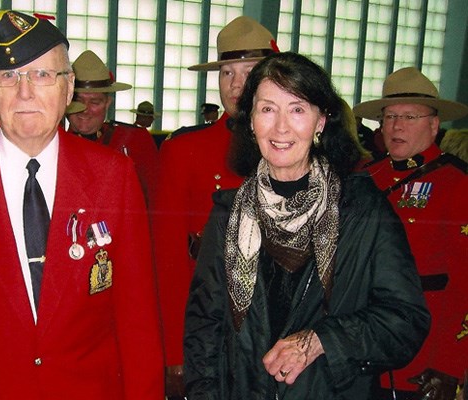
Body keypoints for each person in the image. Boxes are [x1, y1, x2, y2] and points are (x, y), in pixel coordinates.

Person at [0, 10, 164, 399]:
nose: (25, 92)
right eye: (9, 76)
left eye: (42, 75)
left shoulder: (113, 176)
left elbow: (137, 319)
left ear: (68, 87)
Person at [183, 51, 430, 400]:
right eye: (267, 109)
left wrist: (322, 340)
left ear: (320, 121)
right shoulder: (228, 214)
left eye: (297, 109)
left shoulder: (360, 210)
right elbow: (204, 328)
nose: (281, 127)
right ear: (251, 122)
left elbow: (406, 320)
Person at [151, 16, 280, 399]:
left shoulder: (300, 150)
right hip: (211, 334)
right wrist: (175, 352)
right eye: (227, 73)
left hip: (282, 336)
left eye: (249, 72)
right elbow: (167, 259)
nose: (236, 85)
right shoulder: (183, 151)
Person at [354, 67, 468, 400]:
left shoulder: (457, 184)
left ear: (434, 125)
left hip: (420, 356)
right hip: (359, 347)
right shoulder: (365, 176)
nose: (396, 126)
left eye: (409, 117)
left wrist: (448, 365)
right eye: (389, 117)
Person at [67, 50, 158, 203]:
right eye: (78, 100)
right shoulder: (50, 143)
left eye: (95, 102)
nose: (85, 109)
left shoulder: (135, 141)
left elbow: (154, 202)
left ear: (108, 103)